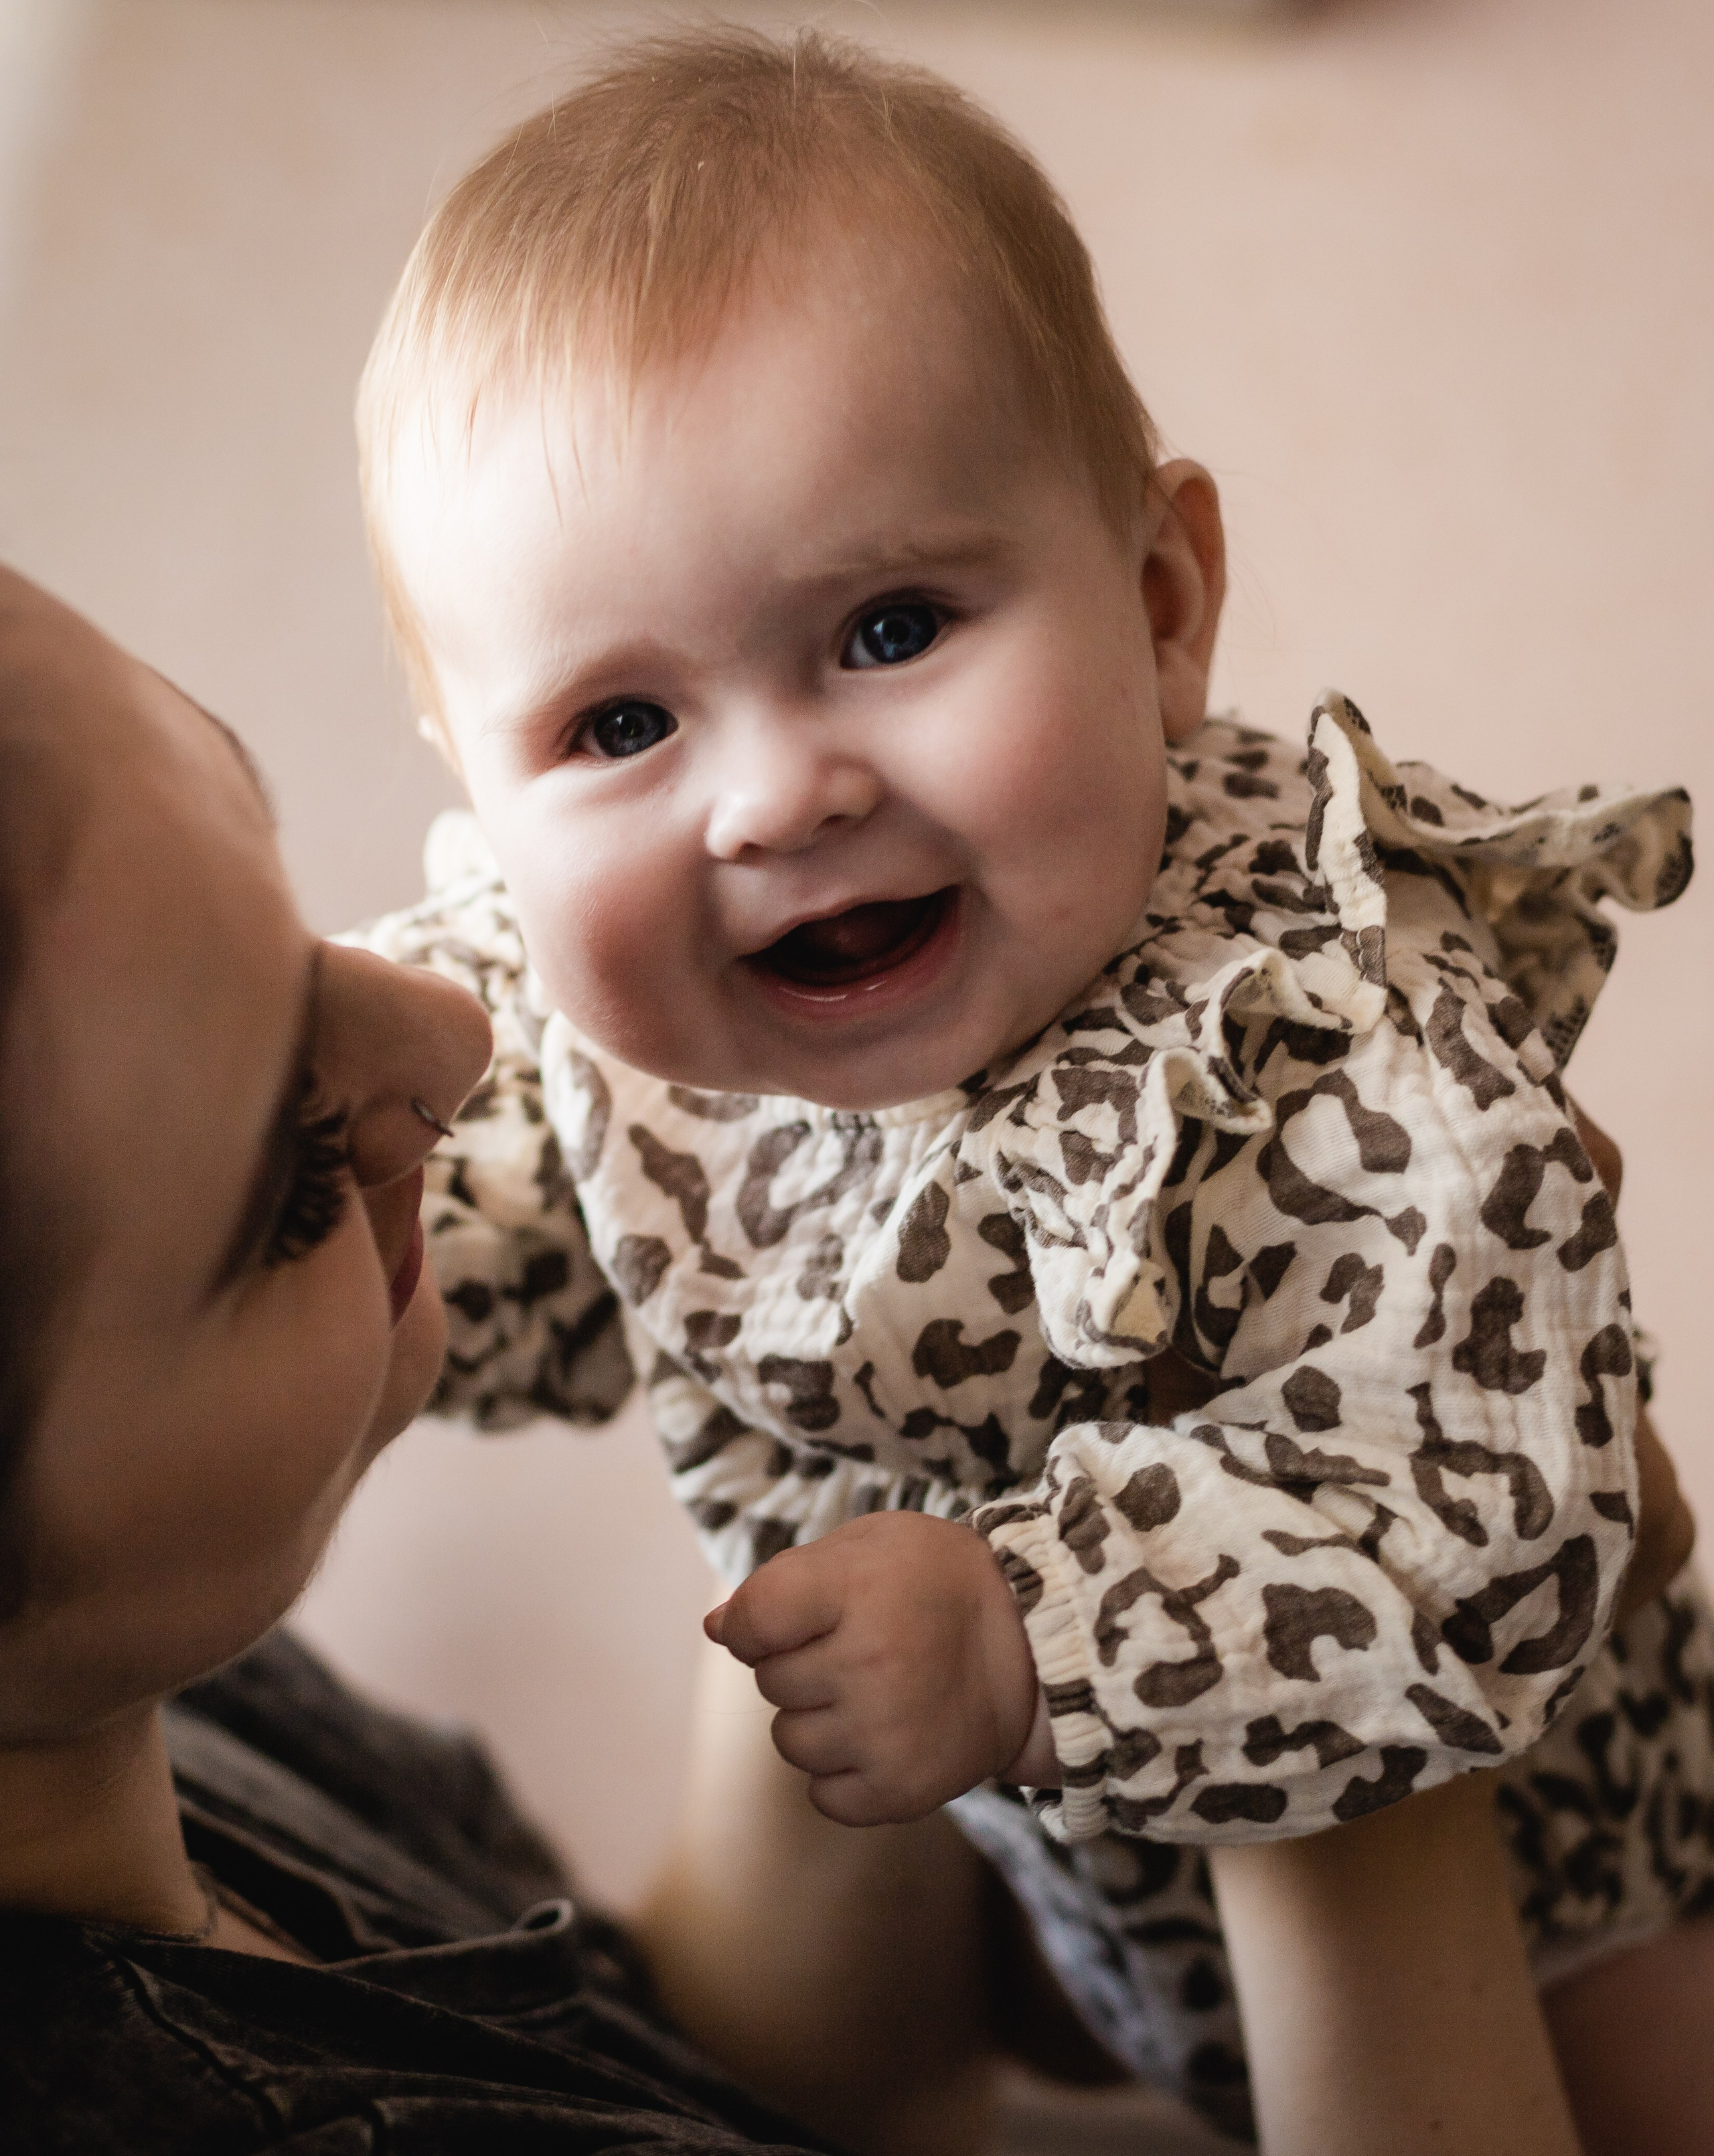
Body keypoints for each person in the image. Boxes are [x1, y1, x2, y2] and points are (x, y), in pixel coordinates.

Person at [348, 26, 1712, 2149]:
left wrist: (1033, 1631)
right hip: (1034, 1880)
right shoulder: (581, 1018)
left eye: (891, 624)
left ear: (1162, 609)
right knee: (821, 2019)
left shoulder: (1327, 1038)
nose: (776, 792)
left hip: (1533, 1892)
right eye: (618, 724)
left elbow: (1490, 1505)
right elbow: (479, 1218)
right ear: (480, 793)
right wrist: (298, 1154)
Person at [0, 565, 1600, 2156]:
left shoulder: (167, 1709)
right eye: (287, 1184)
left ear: (1162, 591)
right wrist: (1309, 1624)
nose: (453, 1035)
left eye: (295, 928)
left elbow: (734, 2091)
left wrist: (878, 1326)